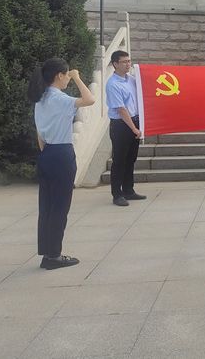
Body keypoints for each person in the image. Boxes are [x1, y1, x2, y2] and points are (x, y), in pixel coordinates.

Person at [28, 58, 96, 269]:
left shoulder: (40, 98)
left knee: (47, 206)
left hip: (47, 153)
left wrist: (46, 152)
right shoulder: (60, 98)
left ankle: (48, 253)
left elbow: (40, 133)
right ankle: (54, 256)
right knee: (60, 207)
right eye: (67, 75)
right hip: (61, 154)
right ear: (59, 75)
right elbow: (90, 99)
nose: (68, 78)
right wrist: (77, 78)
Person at [106, 50, 145, 206]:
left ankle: (129, 190)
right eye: (124, 62)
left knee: (131, 159)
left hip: (135, 121)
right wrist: (134, 129)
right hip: (121, 125)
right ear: (115, 64)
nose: (128, 64)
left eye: (129, 61)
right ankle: (117, 194)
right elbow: (121, 110)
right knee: (119, 160)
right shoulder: (112, 84)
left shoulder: (132, 80)